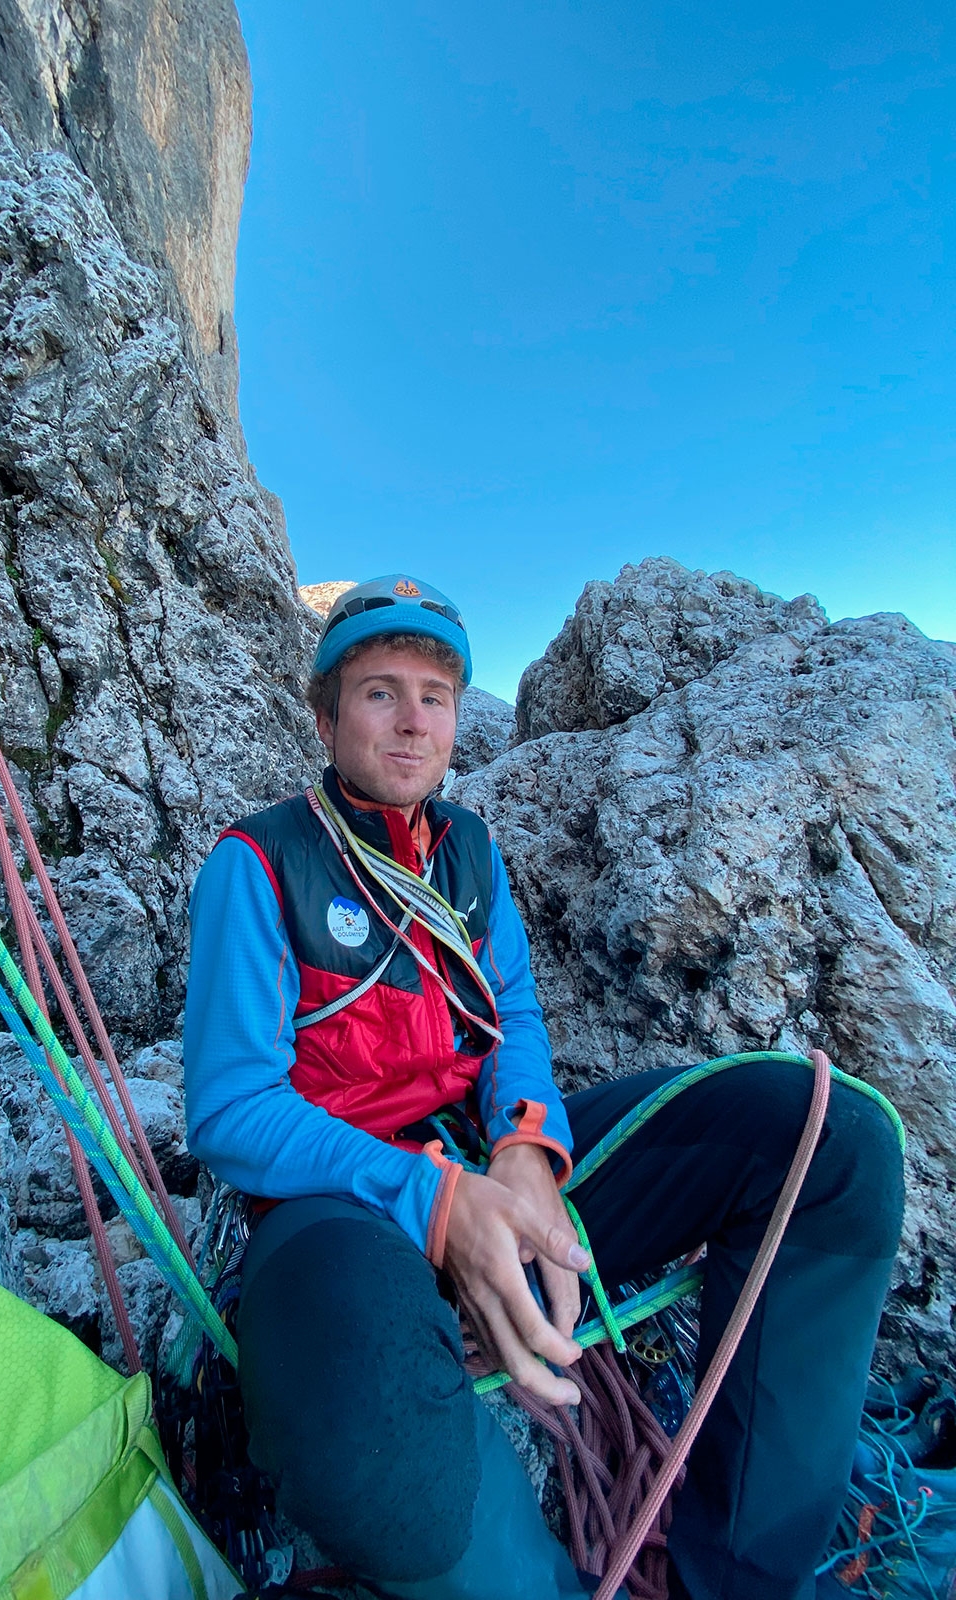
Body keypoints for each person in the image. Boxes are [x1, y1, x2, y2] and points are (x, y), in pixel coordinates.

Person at [183, 575, 904, 1600]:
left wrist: (526, 1150)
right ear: (326, 714)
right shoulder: (259, 864)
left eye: (435, 692)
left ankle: (736, 1575)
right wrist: (434, 1201)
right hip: (341, 1202)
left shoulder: (469, 853)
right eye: (380, 690)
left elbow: (511, 1017)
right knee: (355, 1427)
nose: (413, 718)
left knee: (833, 1142)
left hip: (491, 1164)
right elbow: (231, 1108)